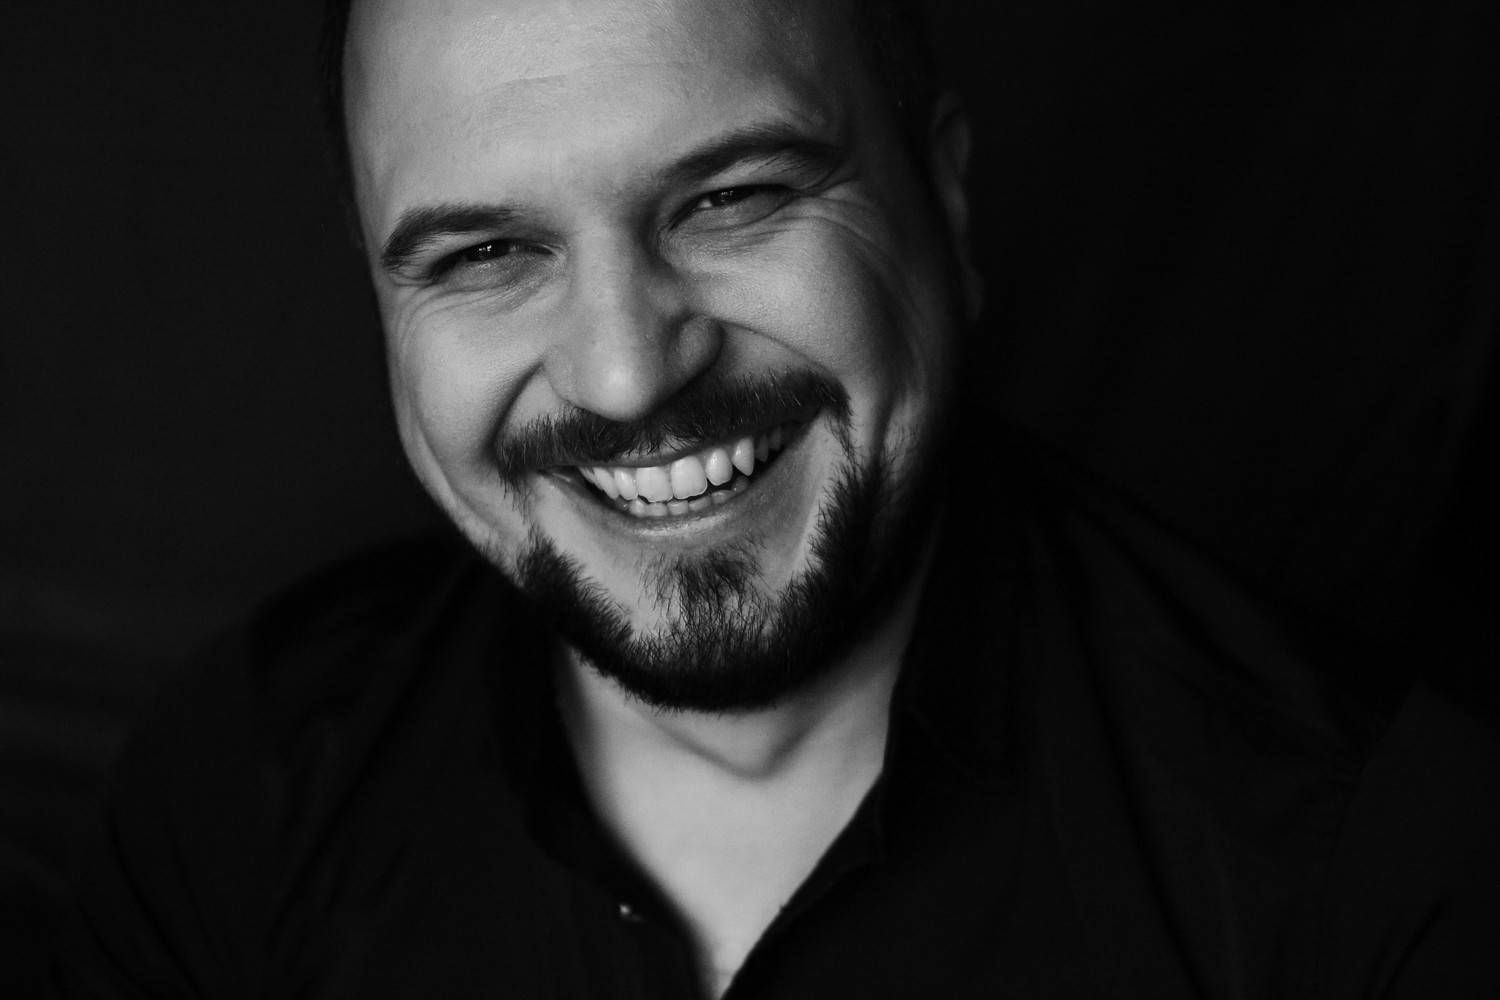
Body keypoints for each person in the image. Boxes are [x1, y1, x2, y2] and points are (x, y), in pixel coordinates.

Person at [50, 0, 1500, 996]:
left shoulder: (1372, 877)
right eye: (486, 255)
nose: (626, 372)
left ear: (945, 205)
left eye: (731, 197)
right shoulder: (238, 793)